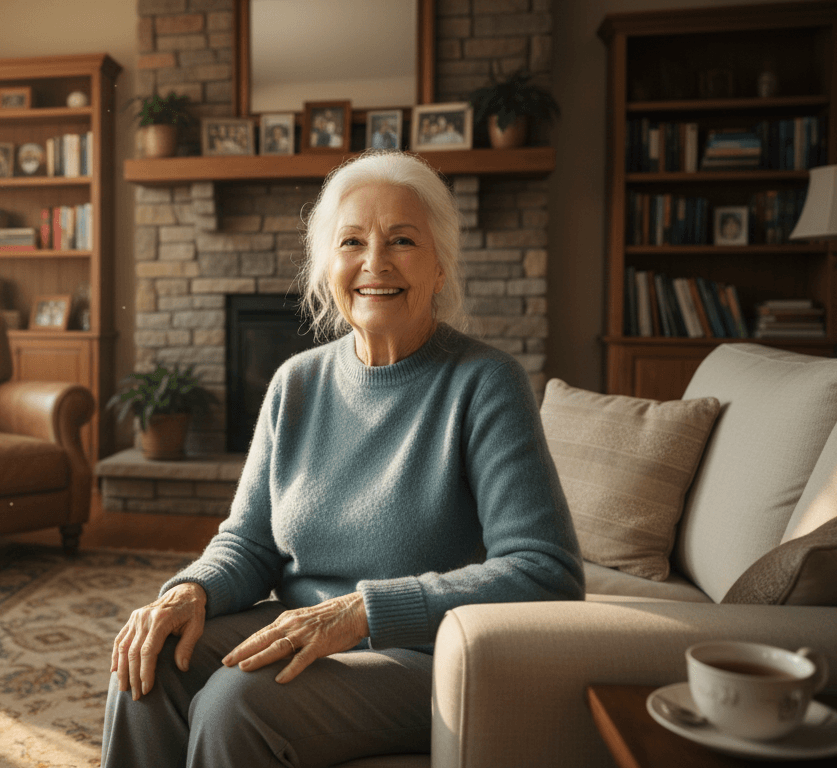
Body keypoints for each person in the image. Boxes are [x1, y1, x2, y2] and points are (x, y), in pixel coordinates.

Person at [100, 150, 584, 767]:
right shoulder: (295, 382)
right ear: (328, 265)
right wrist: (189, 592)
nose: (374, 263)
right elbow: (249, 544)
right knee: (148, 662)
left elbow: (546, 571)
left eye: (402, 240)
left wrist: (363, 611)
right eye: (352, 241)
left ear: (440, 266)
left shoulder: (486, 383)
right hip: (302, 627)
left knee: (236, 701)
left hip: (426, 655)